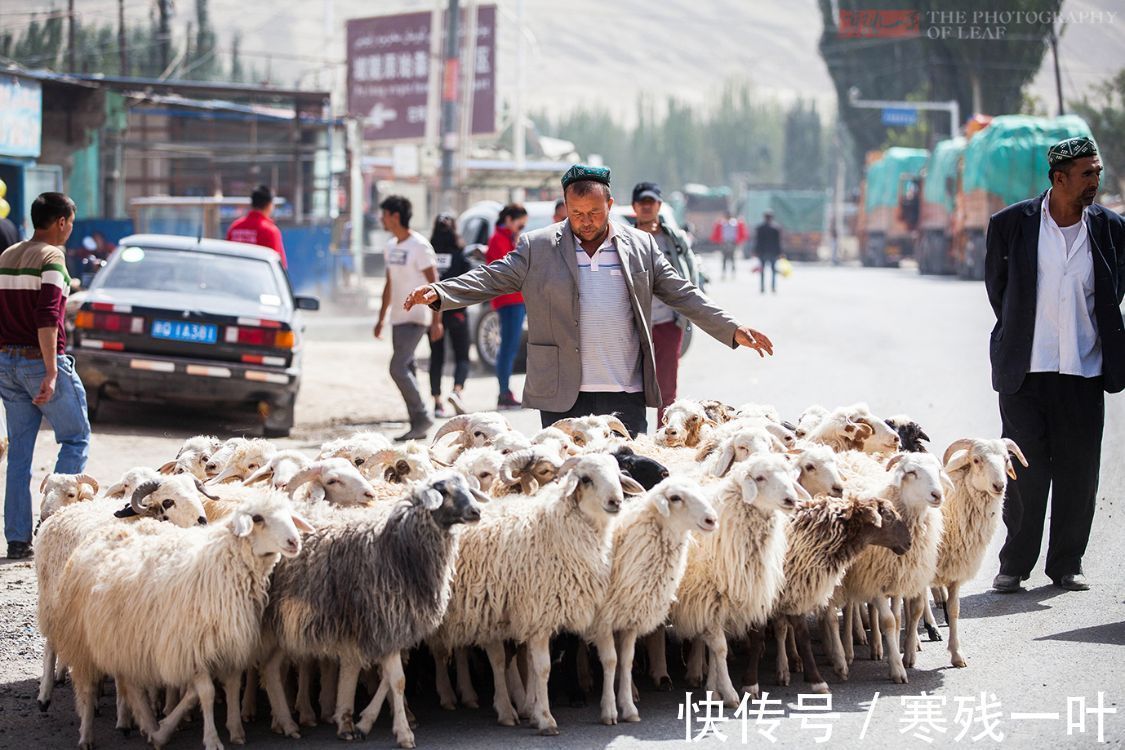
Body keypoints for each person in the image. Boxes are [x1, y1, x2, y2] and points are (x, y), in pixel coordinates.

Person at [403, 164, 774, 437]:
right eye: (577, 213)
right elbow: (492, 276)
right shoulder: (539, 246)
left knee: (628, 487)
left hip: (624, 391)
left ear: (610, 204)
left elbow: (682, 292)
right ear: (565, 206)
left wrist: (731, 328)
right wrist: (442, 291)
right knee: (569, 493)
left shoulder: (640, 246)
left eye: (595, 212)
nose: (585, 221)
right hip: (564, 393)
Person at [985, 136, 1125, 593]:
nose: (1095, 182)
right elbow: (999, 290)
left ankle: (1068, 562)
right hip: (1026, 372)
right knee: (1024, 471)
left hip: (1084, 371)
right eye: (1088, 174)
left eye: (1098, 173)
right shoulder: (1011, 225)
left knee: (1079, 470)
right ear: (1059, 178)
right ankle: (1015, 564)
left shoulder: (1110, 227)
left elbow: (1113, 291)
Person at [0, 193, 91, 559]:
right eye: (69, 221)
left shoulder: (7, 256)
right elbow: (47, 317)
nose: (70, 228)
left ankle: (17, 539)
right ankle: (53, 522)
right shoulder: (53, 257)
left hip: (6, 362)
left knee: (19, 455)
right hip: (40, 361)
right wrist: (52, 371)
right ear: (60, 222)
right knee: (75, 439)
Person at [629, 181, 701, 426]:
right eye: (642, 203)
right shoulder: (623, 238)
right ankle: (635, 439)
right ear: (634, 207)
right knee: (631, 388)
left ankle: (665, 437)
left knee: (667, 389)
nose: (647, 207)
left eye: (652, 203)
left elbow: (691, 271)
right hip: (633, 325)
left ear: (659, 205)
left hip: (668, 322)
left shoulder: (674, 239)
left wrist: (689, 310)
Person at [373, 195, 440, 441]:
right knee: (407, 367)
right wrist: (381, 318)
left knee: (397, 367)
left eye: (384, 214)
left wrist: (437, 319)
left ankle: (422, 417)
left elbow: (435, 283)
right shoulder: (391, 246)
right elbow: (390, 284)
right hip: (398, 318)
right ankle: (417, 424)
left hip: (418, 315)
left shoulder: (419, 246)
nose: (382, 219)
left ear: (395, 216)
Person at [428, 213, 471, 417]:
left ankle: (437, 403)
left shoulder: (429, 254)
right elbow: (469, 283)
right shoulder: (460, 255)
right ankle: (457, 391)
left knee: (436, 357)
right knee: (462, 356)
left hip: (433, 313)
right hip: (457, 313)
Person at [487, 203, 529, 410]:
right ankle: (504, 392)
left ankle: (505, 391)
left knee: (510, 348)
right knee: (508, 348)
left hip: (516, 299)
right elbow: (510, 267)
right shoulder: (498, 239)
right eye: (519, 226)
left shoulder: (506, 238)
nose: (520, 230)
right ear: (509, 220)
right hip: (509, 300)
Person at [226, 184, 288, 269]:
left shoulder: (234, 228)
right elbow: (279, 266)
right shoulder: (270, 231)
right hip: (261, 281)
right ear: (269, 205)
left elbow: (227, 260)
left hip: (236, 279)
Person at [711, 211, 748, 279]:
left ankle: (733, 274)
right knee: (724, 259)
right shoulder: (722, 224)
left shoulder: (735, 223)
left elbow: (740, 233)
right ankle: (724, 273)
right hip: (724, 242)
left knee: (732, 259)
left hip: (732, 242)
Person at [754, 211, 783, 294]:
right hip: (773, 252)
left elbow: (758, 241)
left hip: (762, 252)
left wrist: (756, 251)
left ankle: (762, 287)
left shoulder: (760, 228)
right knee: (773, 271)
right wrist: (780, 252)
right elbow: (778, 242)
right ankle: (773, 287)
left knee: (762, 271)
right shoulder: (776, 228)